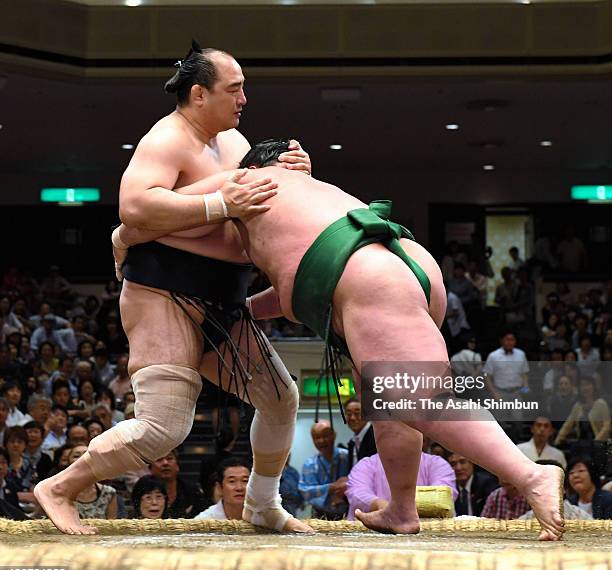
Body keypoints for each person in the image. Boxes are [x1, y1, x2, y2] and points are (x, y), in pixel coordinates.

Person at [116, 138, 566, 539]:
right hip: (403, 261)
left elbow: (148, 209)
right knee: (391, 406)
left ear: (252, 169)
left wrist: (123, 237)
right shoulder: (312, 188)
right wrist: (245, 312)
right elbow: (297, 281)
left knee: (416, 398)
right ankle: (402, 510)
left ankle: (530, 476)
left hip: (365, 275)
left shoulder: (243, 184)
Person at [34, 42, 312, 535]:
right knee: (164, 427)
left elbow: (246, 201)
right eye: (235, 88)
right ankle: (59, 487)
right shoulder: (166, 138)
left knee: (280, 398)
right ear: (200, 93)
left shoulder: (233, 142)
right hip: (163, 289)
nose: (245, 97)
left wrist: (291, 179)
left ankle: (262, 505)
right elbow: (135, 207)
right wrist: (217, 203)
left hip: (223, 294)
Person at [345, 451, 456, 520]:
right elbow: (357, 493)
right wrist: (381, 505)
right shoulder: (366, 464)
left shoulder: (436, 464)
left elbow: (442, 496)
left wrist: (399, 509)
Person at [299, 420, 350, 520]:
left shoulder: (347, 457)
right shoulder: (310, 463)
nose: (321, 441)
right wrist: (331, 488)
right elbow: (305, 491)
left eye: (325, 436)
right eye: (317, 437)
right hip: (319, 516)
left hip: (348, 515)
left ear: (334, 435)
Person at [149, 450, 205, 518]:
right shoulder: (144, 490)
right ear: (150, 468)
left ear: (177, 466)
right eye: (159, 459)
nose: (165, 463)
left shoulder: (192, 490)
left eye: (169, 458)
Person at [448, 453, 498, 517]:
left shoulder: (487, 483)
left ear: (472, 463)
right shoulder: (449, 488)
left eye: (463, 462)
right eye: (453, 464)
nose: (458, 468)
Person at [344, 397, 376, 470]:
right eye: (349, 414)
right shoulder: (352, 443)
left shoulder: (375, 437)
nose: (352, 418)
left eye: (357, 413)